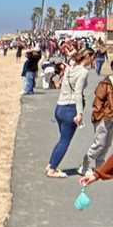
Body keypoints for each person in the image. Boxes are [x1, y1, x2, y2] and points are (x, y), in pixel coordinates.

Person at [46, 49, 93, 178]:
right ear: (87, 57)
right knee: (65, 141)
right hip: (70, 108)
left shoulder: (70, 69)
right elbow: (78, 93)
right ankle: (52, 169)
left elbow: (63, 86)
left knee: (62, 140)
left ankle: (51, 164)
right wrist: (80, 113)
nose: (92, 61)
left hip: (60, 106)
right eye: (92, 58)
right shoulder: (83, 72)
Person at [79, 71, 113, 179]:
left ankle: (100, 166)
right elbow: (97, 103)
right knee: (99, 143)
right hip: (103, 118)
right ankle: (84, 166)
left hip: (111, 118)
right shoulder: (105, 84)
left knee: (107, 144)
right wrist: (101, 116)